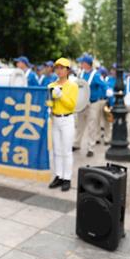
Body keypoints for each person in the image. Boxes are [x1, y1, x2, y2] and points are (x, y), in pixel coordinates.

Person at [47, 58, 78, 192]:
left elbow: (71, 104)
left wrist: (60, 96)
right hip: (55, 119)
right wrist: (49, 105)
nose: (59, 70)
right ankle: (58, 175)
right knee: (57, 150)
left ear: (67, 70)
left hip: (67, 119)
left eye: (62, 68)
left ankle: (67, 178)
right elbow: (49, 102)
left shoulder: (73, 85)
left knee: (66, 150)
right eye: (57, 68)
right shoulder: (51, 85)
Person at [73, 53, 107, 157]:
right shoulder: (80, 73)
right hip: (82, 103)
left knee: (92, 126)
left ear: (86, 64)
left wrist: (104, 97)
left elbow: (104, 86)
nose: (80, 64)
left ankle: (91, 147)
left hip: (93, 103)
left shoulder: (96, 75)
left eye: (82, 62)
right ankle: (76, 143)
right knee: (80, 124)